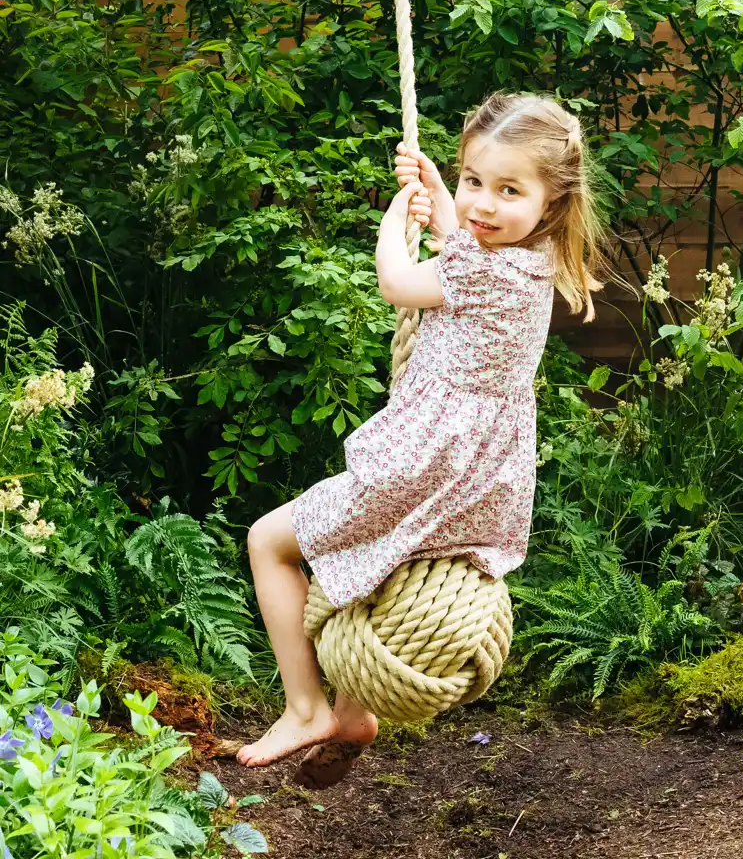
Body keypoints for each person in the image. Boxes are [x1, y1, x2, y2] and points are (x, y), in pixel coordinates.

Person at [236, 91, 611, 780]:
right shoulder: (533, 259)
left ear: (551, 203)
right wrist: (441, 196)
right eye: (474, 181)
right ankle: (351, 713)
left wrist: (393, 220)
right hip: (480, 477)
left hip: (420, 468)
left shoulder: (479, 268)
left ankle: (305, 707)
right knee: (385, 565)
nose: (483, 206)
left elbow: (398, 282)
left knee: (269, 542)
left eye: (508, 189)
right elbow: (467, 247)